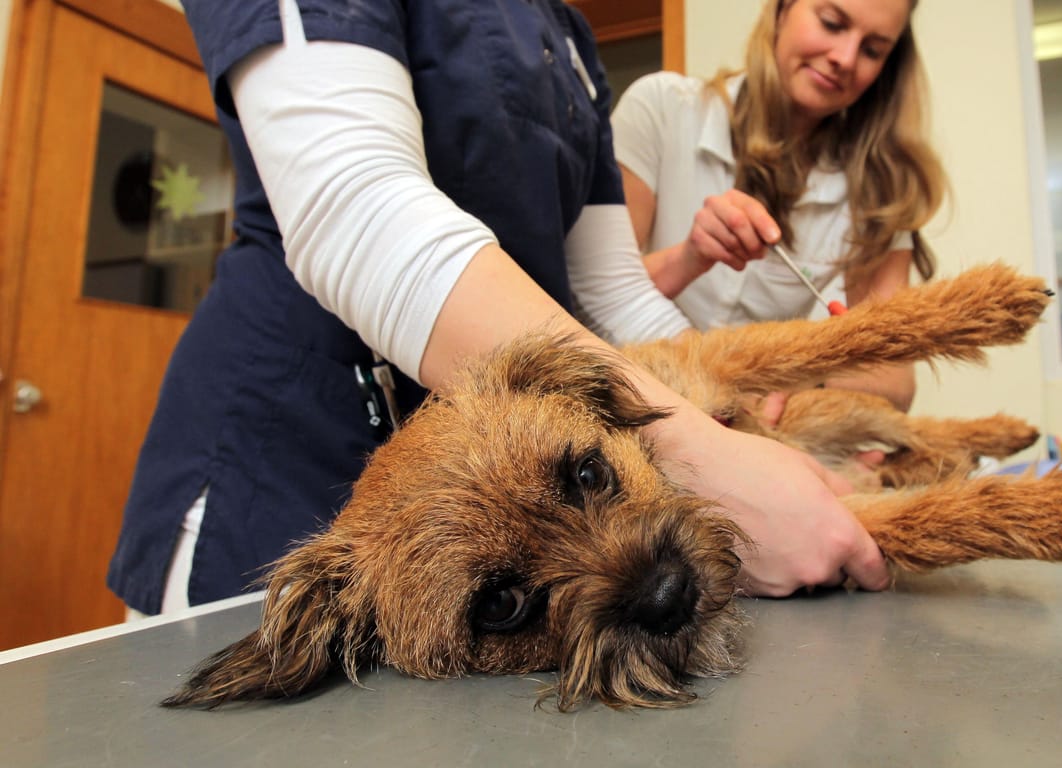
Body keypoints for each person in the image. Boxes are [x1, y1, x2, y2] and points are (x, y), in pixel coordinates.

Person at [106, 0, 890, 616]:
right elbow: (355, 210)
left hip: (522, 515)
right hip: (294, 462)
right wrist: (704, 460)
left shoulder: (570, 43)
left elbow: (607, 292)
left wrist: (747, 426)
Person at [598, 0, 947, 412]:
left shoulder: (881, 186)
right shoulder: (660, 109)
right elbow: (595, 298)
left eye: (873, 50)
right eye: (832, 23)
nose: (845, 58)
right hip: (630, 404)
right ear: (781, 10)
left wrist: (791, 378)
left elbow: (895, 382)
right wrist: (688, 258)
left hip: (753, 427)